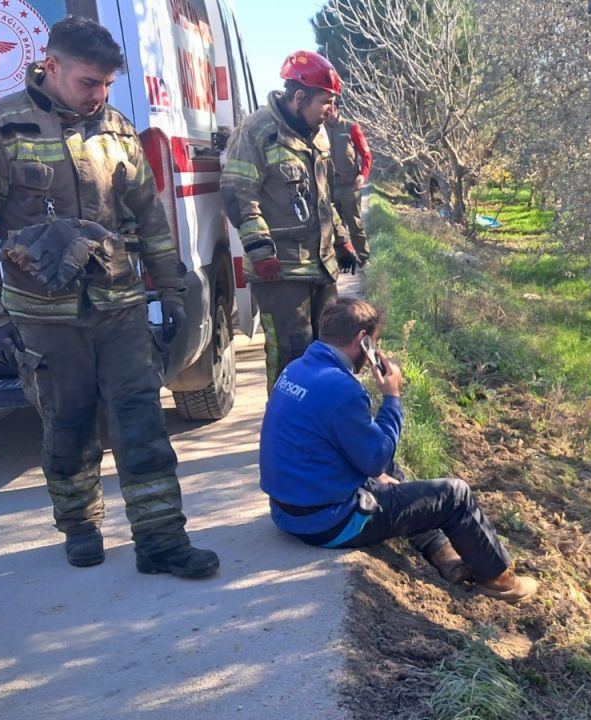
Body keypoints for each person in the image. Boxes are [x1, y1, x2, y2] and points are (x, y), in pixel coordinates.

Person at [0, 17, 217, 577]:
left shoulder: (117, 129)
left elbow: (149, 216)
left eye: (106, 86)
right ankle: (80, 525)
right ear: (51, 66)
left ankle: (161, 540)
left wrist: (169, 288)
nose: (99, 96)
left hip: (118, 307)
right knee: (68, 426)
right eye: (88, 83)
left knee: (141, 421)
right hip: (44, 317)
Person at [259, 297, 539, 603]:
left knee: (391, 474)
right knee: (455, 495)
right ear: (362, 341)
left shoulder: (295, 369)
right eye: (374, 344)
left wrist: (379, 472)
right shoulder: (342, 389)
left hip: (287, 511)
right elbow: (378, 456)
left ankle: (440, 550)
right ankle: (500, 580)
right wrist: (391, 398)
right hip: (327, 523)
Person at [221, 50, 357, 391]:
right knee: (291, 356)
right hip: (280, 271)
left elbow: (323, 198)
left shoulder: (318, 135)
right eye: (325, 102)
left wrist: (342, 239)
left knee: (327, 351)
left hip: (320, 267)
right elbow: (239, 194)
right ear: (299, 97)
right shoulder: (256, 132)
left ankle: (319, 430)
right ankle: (286, 432)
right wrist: (260, 252)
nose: (330, 111)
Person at [325, 104, 372, 268]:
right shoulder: (319, 130)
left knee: (355, 225)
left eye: (330, 110)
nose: (327, 114)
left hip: (349, 186)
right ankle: (340, 260)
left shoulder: (351, 128)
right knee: (333, 228)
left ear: (336, 108)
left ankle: (364, 260)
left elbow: (366, 154)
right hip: (328, 187)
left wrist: (363, 175)